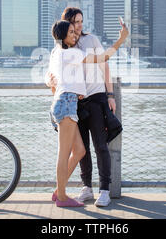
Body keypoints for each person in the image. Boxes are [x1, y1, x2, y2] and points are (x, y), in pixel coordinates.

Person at [48, 19, 128, 208]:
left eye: (74, 32)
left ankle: (59, 190)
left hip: (66, 102)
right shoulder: (71, 53)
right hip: (66, 104)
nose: (75, 35)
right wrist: (121, 40)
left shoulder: (58, 54)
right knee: (63, 153)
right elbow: (103, 58)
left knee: (80, 151)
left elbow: (52, 78)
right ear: (62, 37)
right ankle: (62, 197)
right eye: (70, 32)